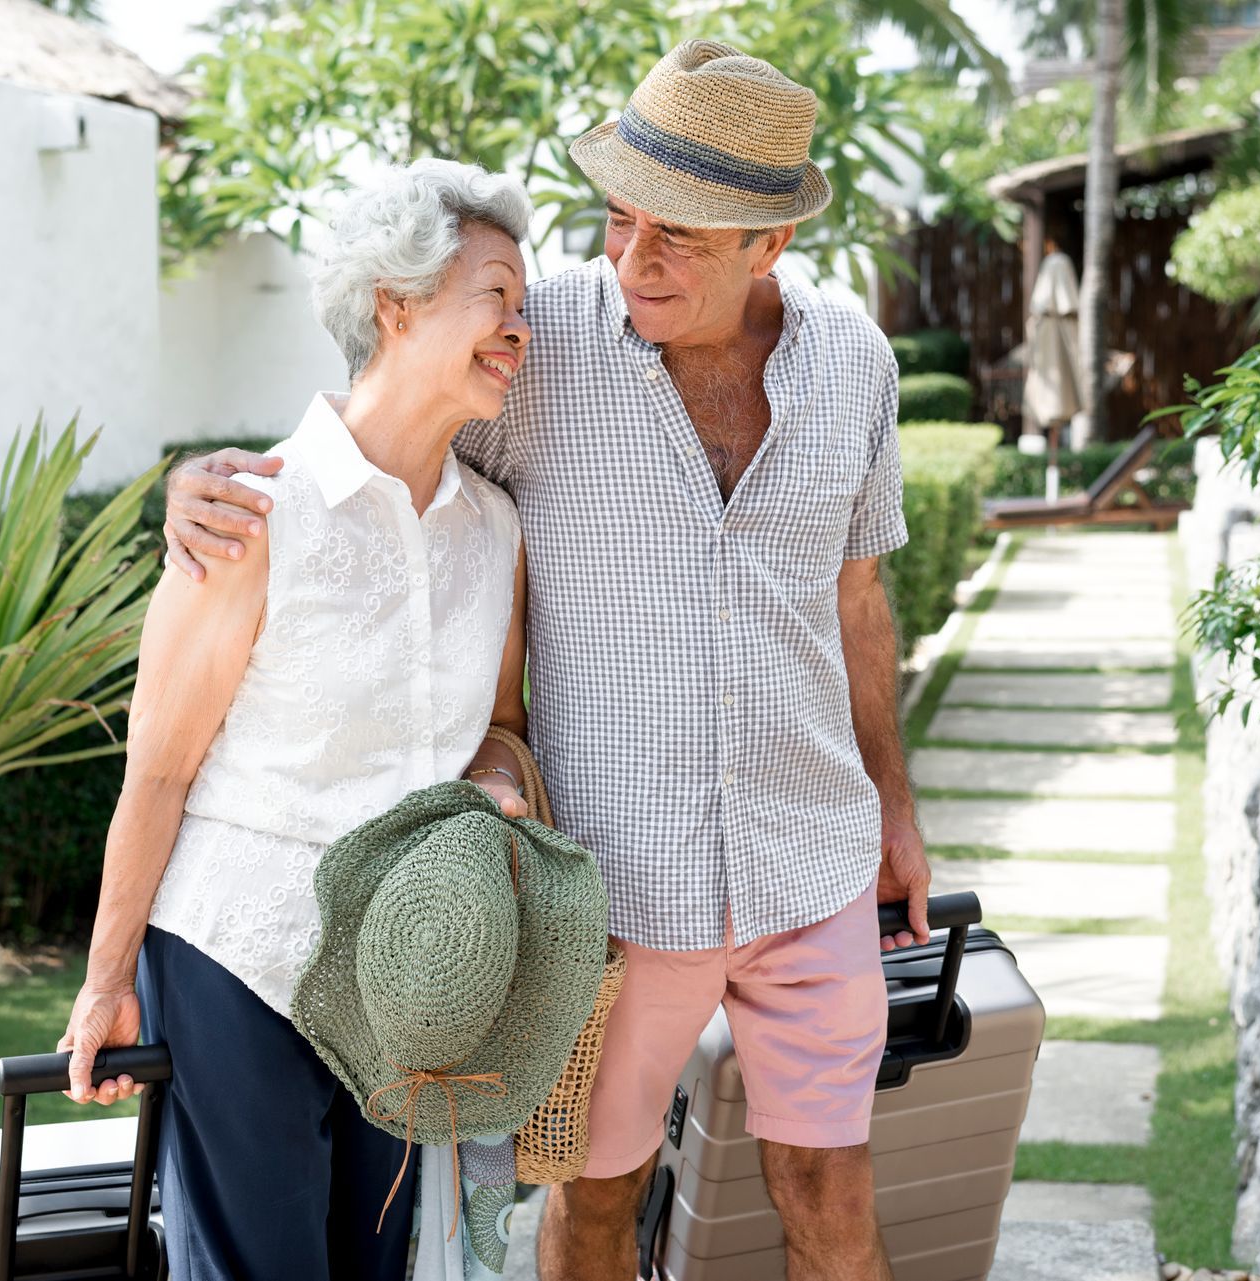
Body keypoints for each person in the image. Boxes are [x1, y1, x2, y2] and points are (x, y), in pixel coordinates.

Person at [163, 41, 935, 1281]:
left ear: (769, 246)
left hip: (812, 857)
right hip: (615, 885)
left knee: (830, 1189)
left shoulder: (857, 366)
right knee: (592, 1197)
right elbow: (374, 430)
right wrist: (203, 484)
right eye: (620, 220)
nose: (634, 259)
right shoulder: (545, 339)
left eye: (677, 235)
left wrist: (894, 805)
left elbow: (858, 597)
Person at [55, 158, 538, 1281]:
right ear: (398, 303)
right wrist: (104, 980)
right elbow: (161, 772)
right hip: (241, 954)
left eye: (524, 310)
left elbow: (499, 726)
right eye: (496, 301)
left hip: (406, 975)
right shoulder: (249, 515)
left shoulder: (496, 531)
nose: (520, 331)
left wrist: (499, 790)